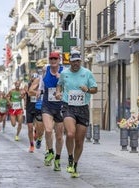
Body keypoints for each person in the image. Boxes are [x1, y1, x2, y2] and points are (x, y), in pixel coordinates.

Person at [56, 50, 98, 178]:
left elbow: (95, 89)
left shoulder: (87, 73)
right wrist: (58, 93)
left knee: (79, 141)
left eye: (78, 61)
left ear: (80, 61)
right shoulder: (64, 74)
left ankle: (74, 164)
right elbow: (59, 85)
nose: (76, 64)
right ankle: (69, 157)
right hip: (68, 106)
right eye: (73, 61)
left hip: (83, 108)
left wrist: (88, 90)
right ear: (70, 62)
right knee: (70, 133)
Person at [40, 51, 64, 171]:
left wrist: (63, 79)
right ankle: (50, 152)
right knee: (48, 130)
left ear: (59, 60)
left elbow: (69, 86)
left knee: (59, 137)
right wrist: (39, 92)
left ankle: (58, 159)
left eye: (55, 59)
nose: (53, 61)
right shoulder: (45, 70)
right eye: (51, 59)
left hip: (60, 107)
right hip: (47, 105)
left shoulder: (65, 71)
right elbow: (41, 84)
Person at [24, 72, 45, 153]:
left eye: (36, 77)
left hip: (38, 107)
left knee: (39, 128)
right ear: (31, 78)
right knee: (29, 127)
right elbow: (27, 94)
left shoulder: (41, 85)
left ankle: (37, 133)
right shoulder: (27, 85)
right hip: (30, 108)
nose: (34, 79)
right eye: (33, 77)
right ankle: (31, 145)